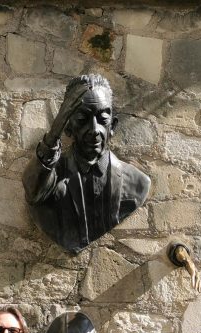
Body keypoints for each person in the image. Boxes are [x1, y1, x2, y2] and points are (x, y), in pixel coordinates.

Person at [22, 73, 151, 253]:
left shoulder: (137, 182)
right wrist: (52, 137)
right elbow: (33, 191)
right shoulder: (52, 175)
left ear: (112, 126)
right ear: (67, 127)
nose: (94, 130)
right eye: (82, 120)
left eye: (102, 119)